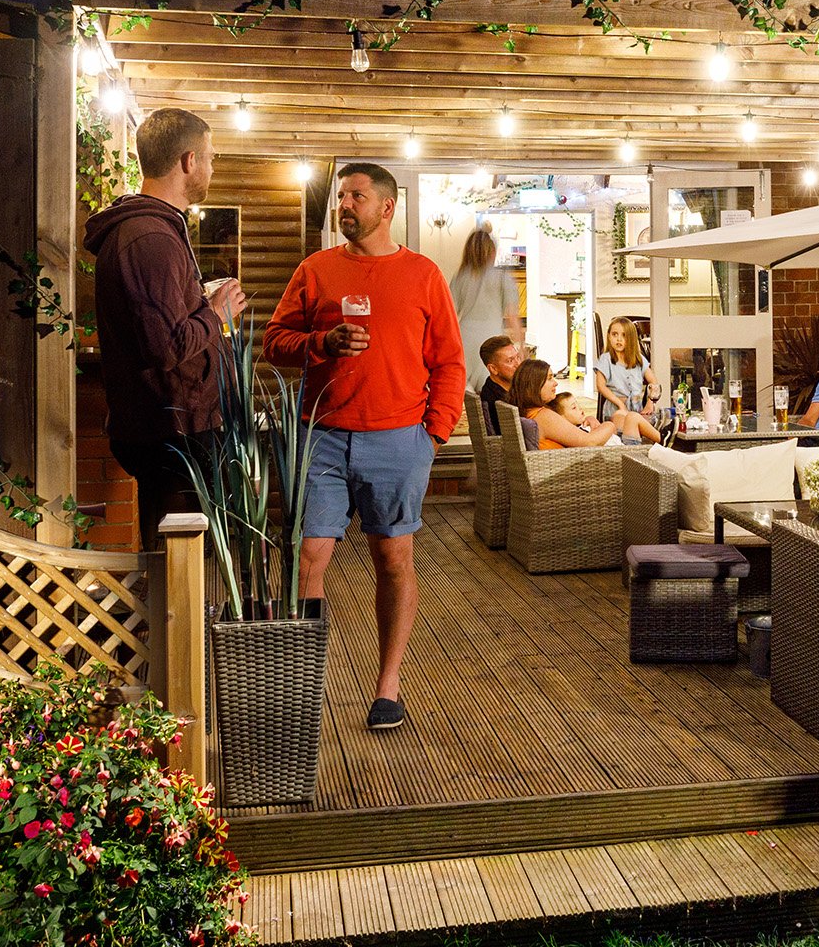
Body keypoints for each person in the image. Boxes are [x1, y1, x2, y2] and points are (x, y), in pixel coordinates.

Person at [263, 162, 465, 732]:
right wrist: (321, 343)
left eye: (356, 196)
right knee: (309, 558)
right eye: (340, 196)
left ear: (387, 207)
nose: (344, 205)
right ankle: (303, 685)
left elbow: (448, 361)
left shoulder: (423, 275)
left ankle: (388, 688)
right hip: (321, 436)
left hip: (399, 439)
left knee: (393, 558)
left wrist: (434, 435)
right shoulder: (316, 269)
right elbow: (275, 342)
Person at [85, 107, 248, 533]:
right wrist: (217, 314)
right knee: (177, 557)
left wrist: (200, 300)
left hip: (174, 426)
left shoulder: (154, 231)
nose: (212, 167)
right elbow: (165, 346)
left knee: (178, 551)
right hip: (171, 430)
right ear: (189, 161)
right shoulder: (150, 238)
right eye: (210, 157)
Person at [448, 226, 523, 386]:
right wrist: (520, 347)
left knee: (467, 394)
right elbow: (512, 317)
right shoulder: (502, 277)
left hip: (464, 338)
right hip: (491, 340)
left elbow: (450, 313)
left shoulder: (460, 276)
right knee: (489, 389)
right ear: (492, 252)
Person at [510, 358, 621, 449]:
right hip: (571, 471)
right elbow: (590, 442)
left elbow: (565, 429)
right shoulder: (544, 416)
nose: (555, 383)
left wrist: (588, 419)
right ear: (533, 385)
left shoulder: (528, 411)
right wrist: (609, 425)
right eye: (549, 379)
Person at [590, 318, 665, 444]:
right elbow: (601, 386)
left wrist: (650, 402)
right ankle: (633, 446)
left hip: (637, 409)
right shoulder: (606, 359)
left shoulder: (639, 359)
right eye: (615, 334)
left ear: (631, 339)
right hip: (615, 409)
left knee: (651, 419)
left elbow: (654, 382)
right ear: (609, 336)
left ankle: (655, 442)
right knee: (621, 419)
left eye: (624, 336)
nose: (618, 339)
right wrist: (620, 404)